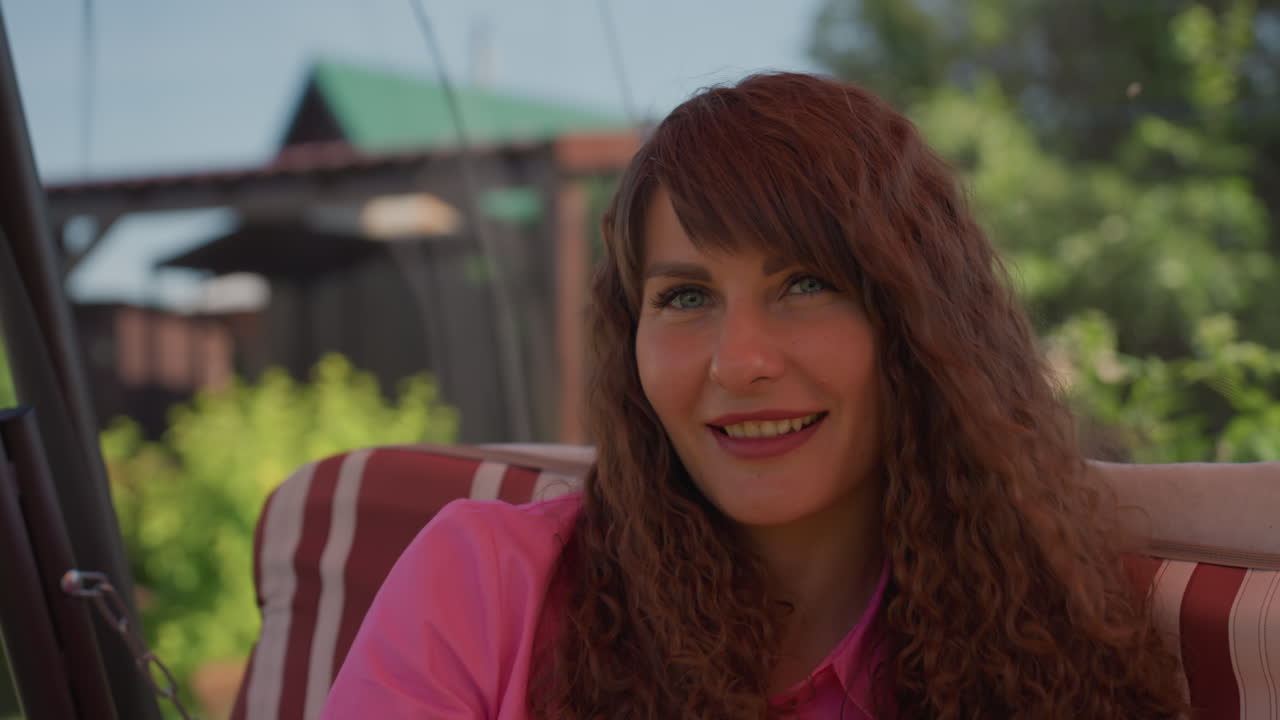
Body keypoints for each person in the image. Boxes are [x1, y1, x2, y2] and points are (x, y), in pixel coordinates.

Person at [322, 72, 1188, 719]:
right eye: (685, 297)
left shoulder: (1037, 647)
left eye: (805, 284)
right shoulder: (485, 584)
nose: (737, 362)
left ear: (923, 330)